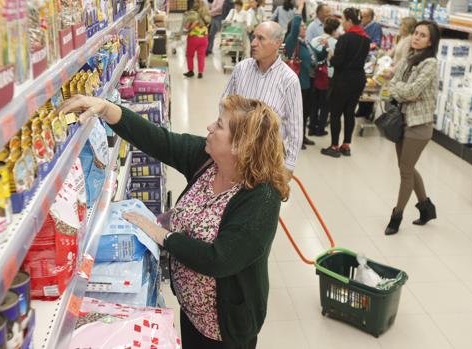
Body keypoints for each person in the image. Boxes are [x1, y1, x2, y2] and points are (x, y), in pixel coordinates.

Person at [57, 94, 290, 349]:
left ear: (240, 146)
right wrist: (107, 109)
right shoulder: (209, 161)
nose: (210, 127)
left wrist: (163, 235)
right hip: (192, 311)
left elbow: (219, 260)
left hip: (225, 327)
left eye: (220, 125)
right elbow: (160, 141)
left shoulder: (262, 198)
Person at [382, 20, 440, 235]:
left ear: (431, 41)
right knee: (407, 167)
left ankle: (396, 217)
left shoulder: (430, 64)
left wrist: (398, 89)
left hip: (419, 125)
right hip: (402, 121)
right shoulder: (409, 58)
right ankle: (426, 208)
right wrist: (399, 88)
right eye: (416, 33)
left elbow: (413, 91)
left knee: (406, 171)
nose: (416, 37)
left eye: (422, 35)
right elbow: (397, 84)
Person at [222, 21, 303, 172]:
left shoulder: (289, 80)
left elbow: (295, 126)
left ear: (277, 43)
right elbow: (224, 105)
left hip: (267, 157)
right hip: (236, 150)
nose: (253, 43)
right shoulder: (241, 69)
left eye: (261, 38)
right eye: (254, 37)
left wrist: (289, 166)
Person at [320, 7, 369, 158]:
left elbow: (338, 62)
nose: (342, 23)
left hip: (343, 80)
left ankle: (334, 146)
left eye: (343, 20)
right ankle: (346, 145)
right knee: (350, 113)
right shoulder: (366, 39)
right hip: (359, 79)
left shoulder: (345, 38)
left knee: (335, 113)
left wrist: (331, 56)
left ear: (349, 20)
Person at [284, 2, 315, 149]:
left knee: (306, 112)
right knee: (297, 115)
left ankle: (303, 136)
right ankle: (296, 140)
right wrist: (300, 9)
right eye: (302, 26)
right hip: (297, 84)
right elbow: (295, 28)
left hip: (307, 83)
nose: (304, 28)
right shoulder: (291, 41)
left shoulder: (305, 43)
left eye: (304, 26)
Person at [308, 17, 340, 136]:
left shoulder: (315, 40)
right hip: (329, 75)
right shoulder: (336, 43)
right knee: (325, 104)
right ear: (334, 30)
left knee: (314, 102)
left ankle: (311, 126)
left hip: (315, 74)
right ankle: (320, 128)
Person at [183, 0, 212, 79]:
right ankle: (200, 72)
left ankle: (191, 71)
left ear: (196, 4)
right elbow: (208, 24)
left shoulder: (192, 14)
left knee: (189, 55)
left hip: (193, 37)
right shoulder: (207, 14)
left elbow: (187, 26)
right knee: (201, 56)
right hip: (204, 38)